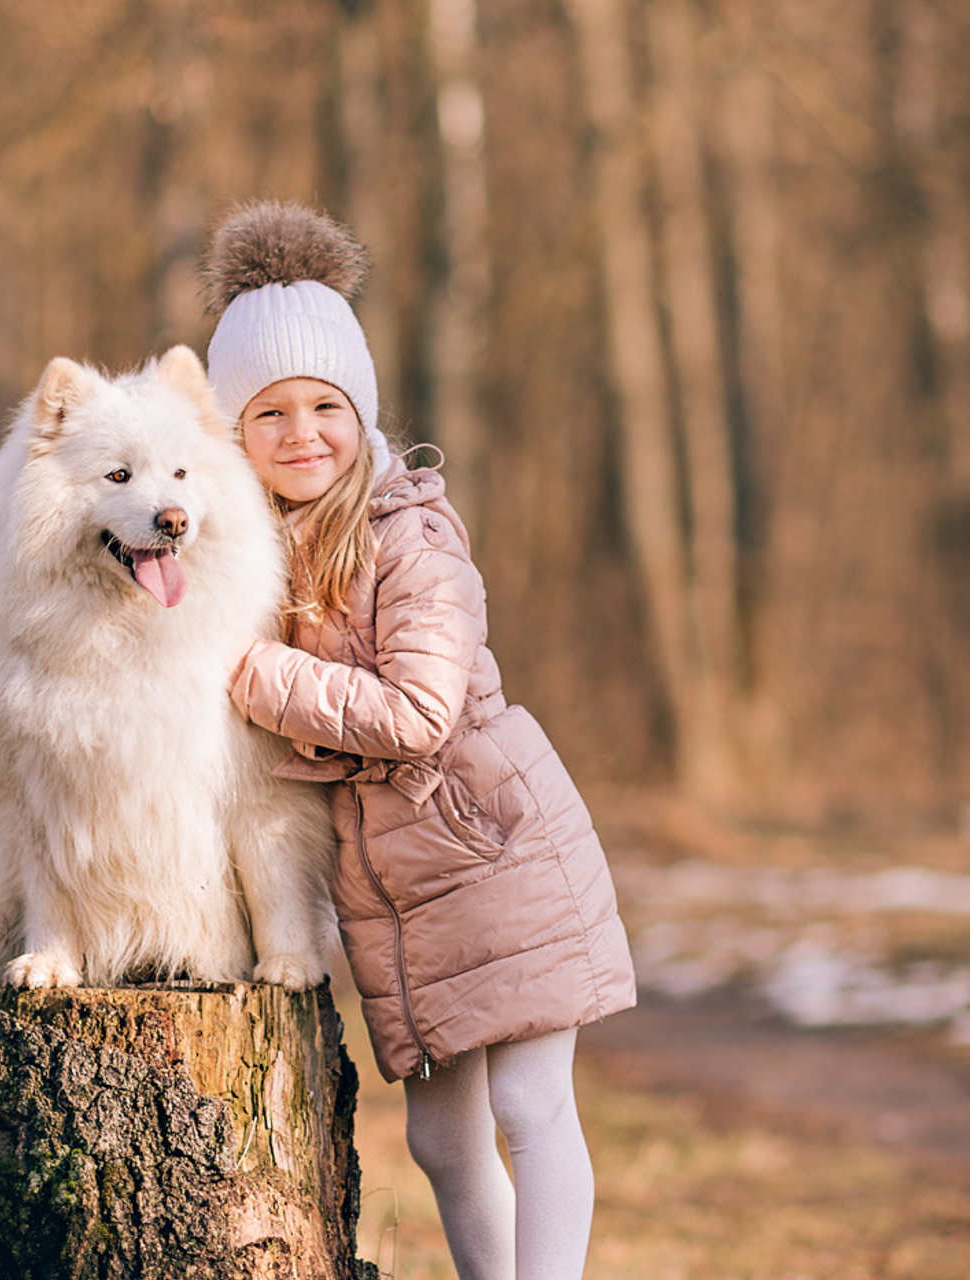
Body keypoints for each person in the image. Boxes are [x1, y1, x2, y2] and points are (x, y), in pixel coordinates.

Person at [203, 201, 637, 1280]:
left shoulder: (409, 538)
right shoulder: (255, 556)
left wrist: (253, 671)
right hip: (397, 887)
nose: (302, 432)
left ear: (362, 411)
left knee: (533, 1105)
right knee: (441, 1137)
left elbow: (417, 712)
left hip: (495, 848)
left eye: (323, 405)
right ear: (231, 435)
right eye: (267, 413)